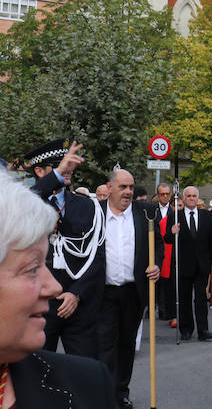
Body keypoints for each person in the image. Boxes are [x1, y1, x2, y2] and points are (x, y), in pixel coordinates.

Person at [0, 172, 116, 408]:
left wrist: (76, 293)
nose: (52, 287)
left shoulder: (88, 384)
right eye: (32, 269)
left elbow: (96, 257)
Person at [24, 139, 105, 359]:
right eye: (60, 165)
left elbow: (97, 257)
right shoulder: (29, 203)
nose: (68, 169)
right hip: (39, 304)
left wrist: (76, 293)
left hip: (78, 304)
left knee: (85, 370)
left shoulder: (87, 205)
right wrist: (58, 174)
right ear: (39, 171)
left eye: (70, 165)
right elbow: (27, 199)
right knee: (38, 370)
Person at [97, 168, 162, 409]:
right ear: (109, 188)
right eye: (123, 187)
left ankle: (121, 392)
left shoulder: (145, 212)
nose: (128, 192)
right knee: (105, 346)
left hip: (134, 292)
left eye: (131, 187)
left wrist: (156, 264)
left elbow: (158, 245)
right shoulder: (96, 213)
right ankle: (105, 395)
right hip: (104, 293)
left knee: (127, 345)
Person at [165, 185, 212, 341]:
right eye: (188, 196)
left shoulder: (207, 216)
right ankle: (186, 329)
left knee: (201, 299)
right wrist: (172, 232)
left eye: (194, 196)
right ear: (183, 198)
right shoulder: (175, 216)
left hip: (202, 264)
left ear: (197, 198)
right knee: (184, 298)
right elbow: (167, 239)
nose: (191, 198)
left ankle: (203, 330)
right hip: (183, 264)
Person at [155, 182, 177, 327]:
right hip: (156, 248)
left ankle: (168, 312)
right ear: (158, 195)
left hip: (170, 249)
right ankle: (154, 307)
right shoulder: (152, 210)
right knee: (156, 280)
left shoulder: (174, 212)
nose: (164, 196)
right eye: (162, 194)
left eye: (167, 194)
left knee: (169, 282)